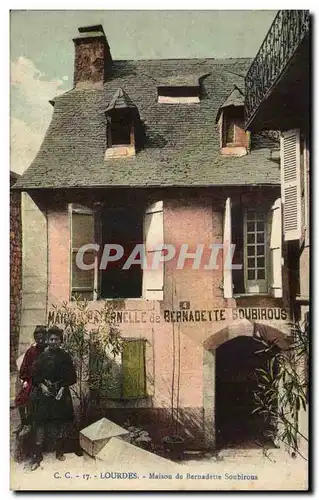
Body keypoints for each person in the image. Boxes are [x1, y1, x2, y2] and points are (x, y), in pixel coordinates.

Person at [30, 326, 77, 471]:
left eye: (56, 339)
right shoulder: (42, 356)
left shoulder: (65, 357)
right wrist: (43, 386)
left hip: (60, 392)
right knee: (40, 422)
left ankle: (59, 452)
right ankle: (37, 456)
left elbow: (71, 376)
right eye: (51, 339)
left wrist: (62, 389)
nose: (53, 342)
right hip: (44, 393)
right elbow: (35, 375)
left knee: (61, 422)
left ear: (60, 341)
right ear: (47, 340)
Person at [14, 325, 47, 437]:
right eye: (38, 338)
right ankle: (24, 423)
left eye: (42, 338)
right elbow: (25, 366)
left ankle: (30, 424)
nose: (40, 340)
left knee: (33, 399)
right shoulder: (31, 351)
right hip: (31, 379)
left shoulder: (48, 350)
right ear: (35, 339)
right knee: (21, 398)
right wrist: (25, 379)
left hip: (44, 381)